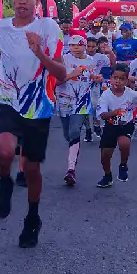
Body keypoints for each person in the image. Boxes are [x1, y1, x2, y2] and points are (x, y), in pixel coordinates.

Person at [0, 0, 67, 248]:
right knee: (5, 151)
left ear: (36, 1)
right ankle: (5, 182)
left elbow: (62, 73)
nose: (22, 2)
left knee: (31, 168)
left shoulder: (48, 27)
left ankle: (32, 217)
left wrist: (38, 51)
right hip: (8, 97)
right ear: (12, 0)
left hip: (38, 104)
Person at [95, 64, 137, 188]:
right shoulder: (106, 95)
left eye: (122, 78)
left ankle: (123, 165)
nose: (118, 81)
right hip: (110, 125)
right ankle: (107, 176)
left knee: (124, 143)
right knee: (105, 156)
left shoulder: (132, 94)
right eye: (115, 77)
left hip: (126, 125)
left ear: (127, 81)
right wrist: (112, 113)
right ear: (111, 78)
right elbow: (102, 115)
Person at [54, 35, 94, 186]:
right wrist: (71, 75)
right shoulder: (62, 60)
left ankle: (71, 169)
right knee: (68, 134)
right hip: (64, 101)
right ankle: (73, 152)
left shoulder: (90, 61)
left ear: (85, 46)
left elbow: (90, 78)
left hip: (82, 102)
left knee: (75, 131)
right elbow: (55, 82)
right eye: (72, 45)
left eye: (79, 45)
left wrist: (95, 78)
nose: (76, 48)